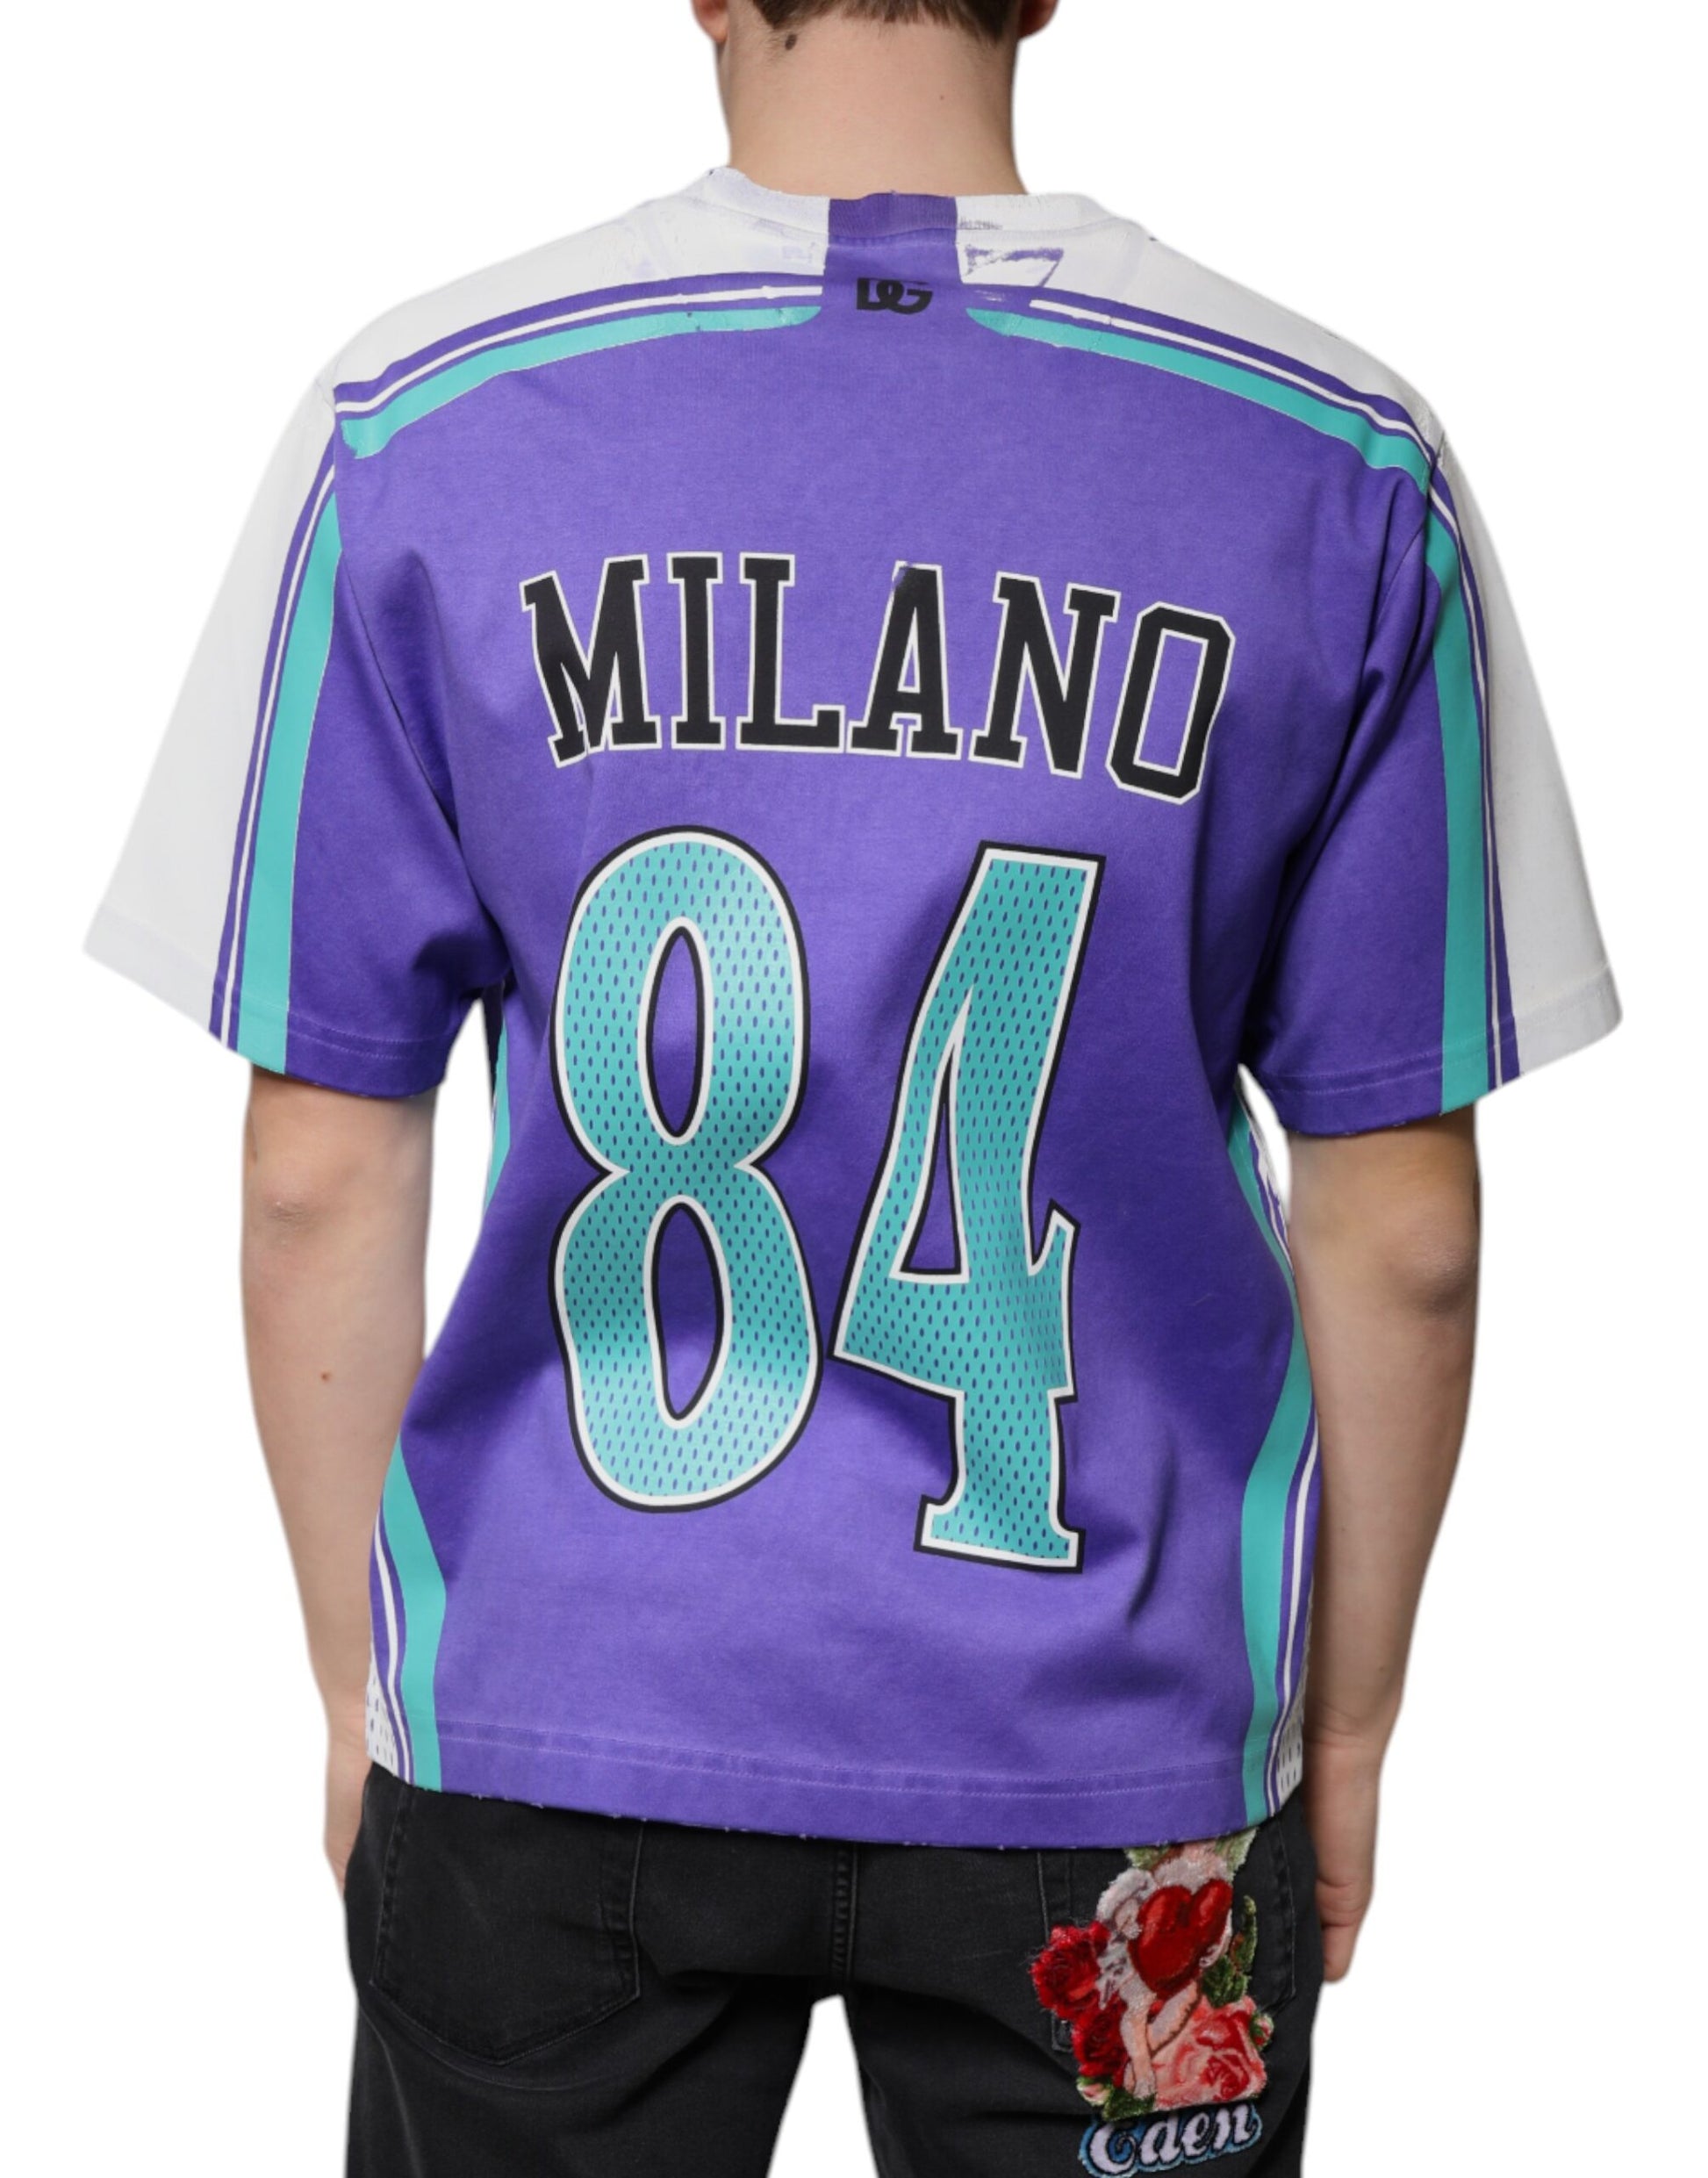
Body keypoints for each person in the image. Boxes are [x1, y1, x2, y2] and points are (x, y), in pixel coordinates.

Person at [88, 1, 1618, 2170]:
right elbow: (1410, 1233)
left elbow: (313, 1175)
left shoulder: (422, 428)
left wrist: (367, 1687)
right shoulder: (1336, 460)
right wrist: (1344, 1729)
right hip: (1124, 1764)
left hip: (558, 1701)